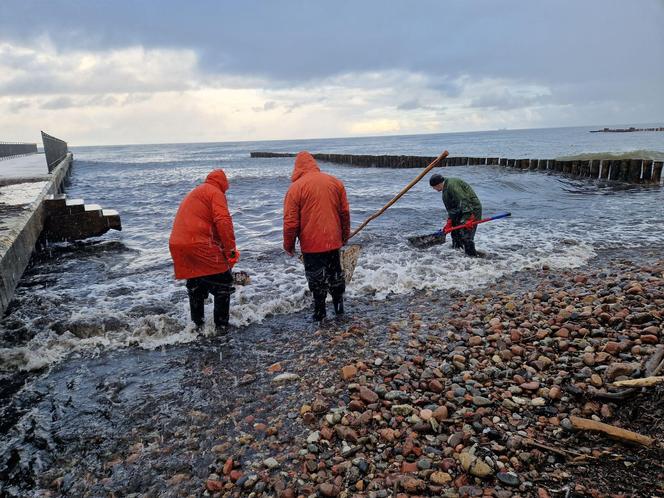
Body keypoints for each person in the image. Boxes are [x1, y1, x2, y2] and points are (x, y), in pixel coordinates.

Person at [283, 151, 351, 321]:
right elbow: (345, 213)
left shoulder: (295, 188)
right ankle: (339, 310)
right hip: (333, 242)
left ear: (297, 167)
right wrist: (344, 236)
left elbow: (290, 223)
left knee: (316, 280)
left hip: (311, 245)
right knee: (336, 276)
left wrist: (288, 245)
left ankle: (320, 314)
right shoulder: (335, 182)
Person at [169, 169, 239, 331]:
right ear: (223, 184)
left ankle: (197, 327)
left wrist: (221, 245)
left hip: (178, 245)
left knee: (196, 285)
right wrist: (230, 250)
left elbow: (205, 223)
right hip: (198, 244)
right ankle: (221, 328)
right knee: (223, 284)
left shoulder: (197, 192)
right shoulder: (215, 193)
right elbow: (223, 221)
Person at [429, 174, 482, 257]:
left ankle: (473, 259)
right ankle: (457, 258)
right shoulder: (445, 189)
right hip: (461, 211)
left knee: (466, 236)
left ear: (438, 184)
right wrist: (449, 222)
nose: (433, 189)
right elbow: (452, 208)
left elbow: (464, 201)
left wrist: (469, 218)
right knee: (455, 234)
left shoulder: (452, 185)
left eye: (433, 187)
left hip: (471, 211)